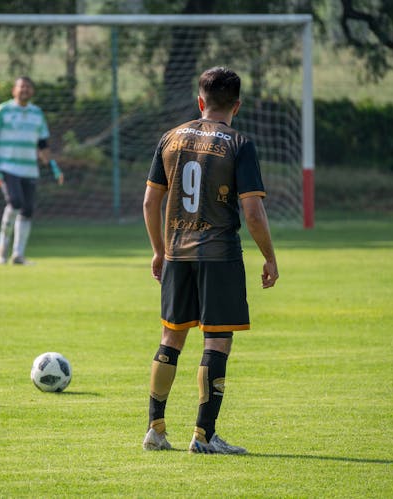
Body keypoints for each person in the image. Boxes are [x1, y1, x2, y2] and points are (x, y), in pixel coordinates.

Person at [141, 67, 279, 454]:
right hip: (218, 256)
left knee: (172, 337)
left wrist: (158, 250)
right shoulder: (240, 143)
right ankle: (203, 436)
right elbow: (253, 213)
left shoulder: (170, 138)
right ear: (236, 105)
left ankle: (155, 429)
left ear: (200, 102)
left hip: (176, 254)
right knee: (216, 342)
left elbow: (151, 202)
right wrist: (269, 258)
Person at [0, 76, 64, 265]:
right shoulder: (2, 110)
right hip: (6, 165)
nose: (24, 90)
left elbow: (43, 143)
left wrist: (53, 167)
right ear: (14, 90)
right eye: (21, 87)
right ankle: (2, 248)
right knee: (15, 202)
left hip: (29, 168)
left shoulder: (37, 113)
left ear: (32, 91)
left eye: (28, 87)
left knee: (27, 210)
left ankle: (18, 255)